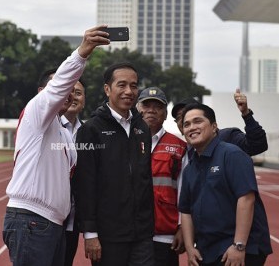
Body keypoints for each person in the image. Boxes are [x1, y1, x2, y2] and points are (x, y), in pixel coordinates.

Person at [2, 26, 110, 266]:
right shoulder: (36, 113)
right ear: (43, 94)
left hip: (51, 223)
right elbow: (59, 84)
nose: (69, 94)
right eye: (63, 90)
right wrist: (82, 53)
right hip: (32, 219)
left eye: (74, 92)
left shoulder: (62, 131)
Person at [73, 62, 154, 265]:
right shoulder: (91, 130)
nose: (129, 91)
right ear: (107, 89)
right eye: (122, 85)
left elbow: (144, 178)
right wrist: (90, 232)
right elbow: (85, 183)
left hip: (142, 234)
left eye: (134, 86)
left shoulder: (142, 128)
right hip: (108, 235)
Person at [178, 102, 272, 266]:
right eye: (186, 124)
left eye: (198, 121)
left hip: (237, 250)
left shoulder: (232, 154)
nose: (191, 127)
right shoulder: (190, 168)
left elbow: (246, 199)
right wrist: (189, 247)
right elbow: (186, 211)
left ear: (214, 127)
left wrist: (239, 245)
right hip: (207, 251)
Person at [136, 87, 186, 266]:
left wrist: (182, 227)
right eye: (146, 105)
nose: (151, 110)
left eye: (157, 107)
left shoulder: (180, 147)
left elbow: (185, 190)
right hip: (131, 233)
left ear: (165, 114)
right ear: (137, 109)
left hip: (165, 235)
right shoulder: (124, 142)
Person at [171, 89, 268, 156]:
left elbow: (258, 145)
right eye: (180, 118)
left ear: (213, 124)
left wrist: (246, 114)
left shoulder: (228, 137)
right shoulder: (184, 152)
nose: (190, 125)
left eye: (196, 120)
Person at [61, 80, 86, 266]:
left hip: (74, 219)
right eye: (69, 92)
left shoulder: (88, 132)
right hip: (51, 216)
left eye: (78, 93)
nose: (73, 97)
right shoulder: (49, 126)